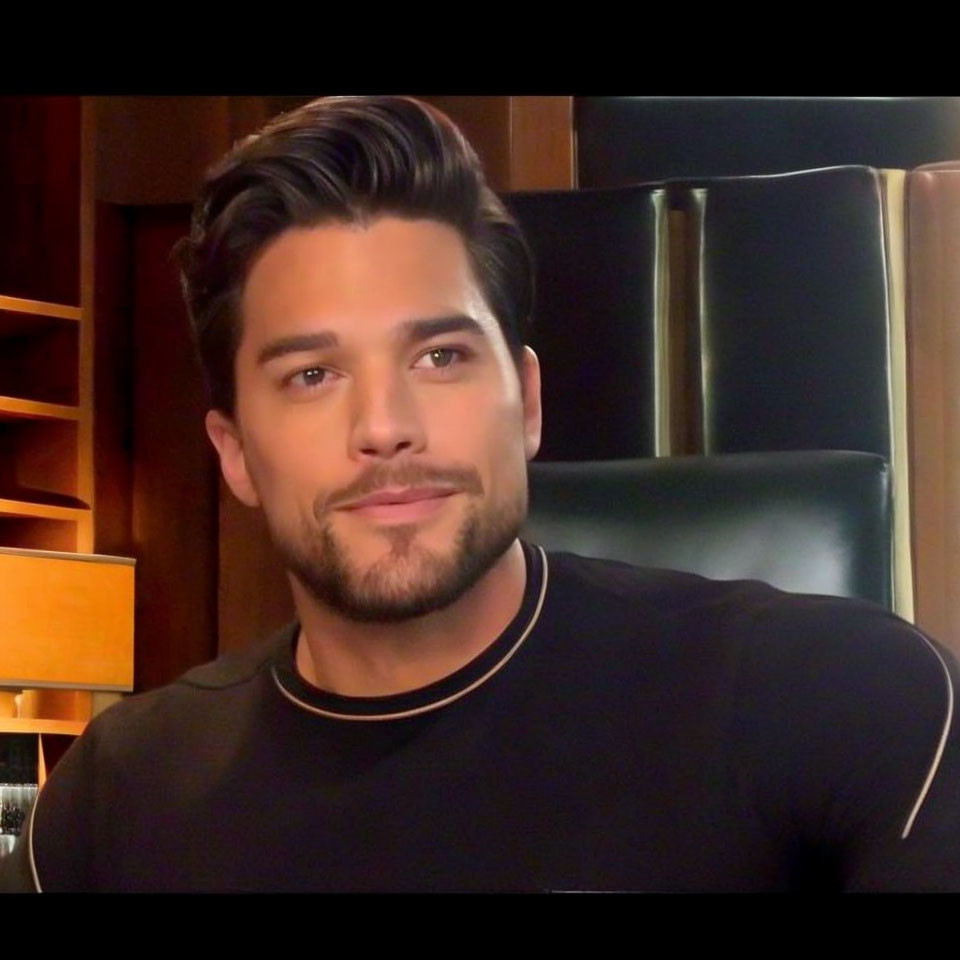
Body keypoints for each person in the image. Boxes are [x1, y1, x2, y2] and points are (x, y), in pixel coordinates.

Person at [2, 96, 958, 892]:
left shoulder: (845, 703)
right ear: (235, 453)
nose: (385, 424)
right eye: (310, 375)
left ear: (529, 403)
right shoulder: (112, 803)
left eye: (440, 355)